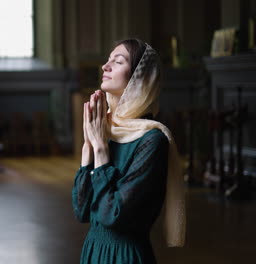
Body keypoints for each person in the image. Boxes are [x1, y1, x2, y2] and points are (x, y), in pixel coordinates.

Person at [72, 38, 186, 264]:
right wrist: (88, 146)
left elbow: (112, 215)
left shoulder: (152, 140)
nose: (106, 66)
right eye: (107, 60)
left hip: (125, 256)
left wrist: (102, 150)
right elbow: (81, 210)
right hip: (92, 252)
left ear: (139, 78)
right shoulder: (106, 130)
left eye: (118, 61)